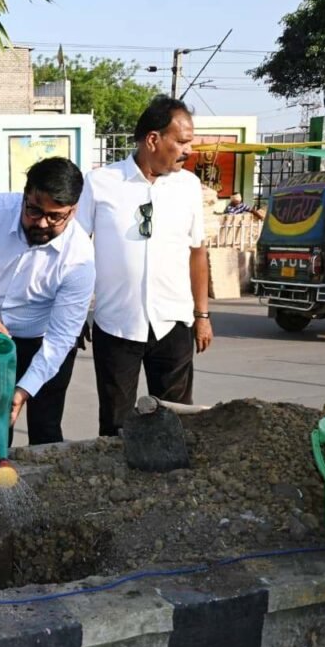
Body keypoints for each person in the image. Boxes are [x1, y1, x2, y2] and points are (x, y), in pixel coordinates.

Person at [76, 95, 213, 438]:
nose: (188, 150)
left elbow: (197, 252)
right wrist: (75, 313)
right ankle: (120, 471)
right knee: (116, 423)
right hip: (116, 325)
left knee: (175, 420)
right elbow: (76, 252)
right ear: (153, 139)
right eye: (181, 142)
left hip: (173, 325)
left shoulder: (188, 186)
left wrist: (202, 315)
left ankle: (170, 471)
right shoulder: (101, 182)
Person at [0, 157, 95, 449]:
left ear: (73, 211)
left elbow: (61, 338)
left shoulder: (80, 258)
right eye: (33, 210)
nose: (42, 223)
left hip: (46, 341)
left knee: (45, 429)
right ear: (24, 195)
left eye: (55, 217)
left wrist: (22, 391)